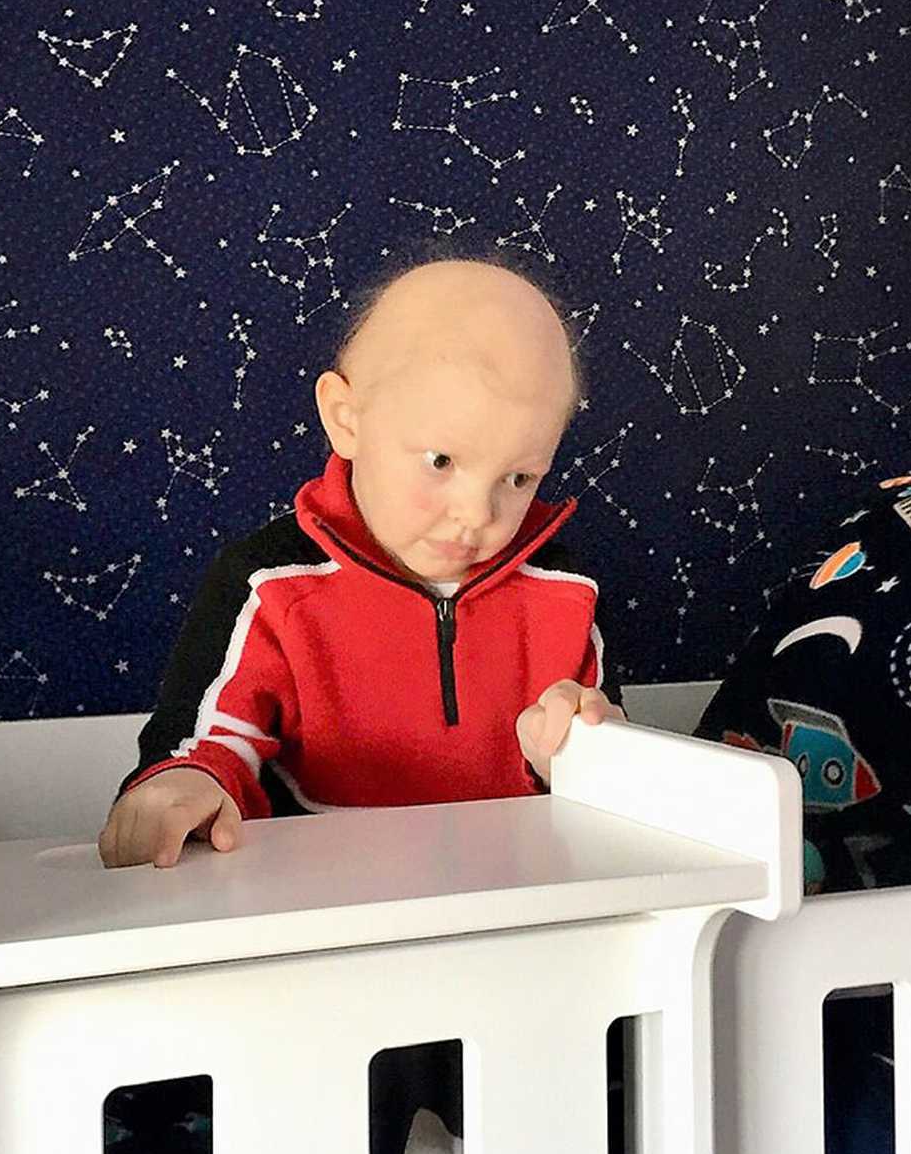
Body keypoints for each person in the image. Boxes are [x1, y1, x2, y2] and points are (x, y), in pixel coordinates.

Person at [100, 250, 620, 869]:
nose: (477, 514)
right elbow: (205, 742)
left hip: (515, 908)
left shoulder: (565, 590)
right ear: (346, 419)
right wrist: (188, 787)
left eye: (518, 477)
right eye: (441, 462)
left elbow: (610, 801)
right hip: (314, 911)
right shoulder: (272, 583)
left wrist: (582, 751)